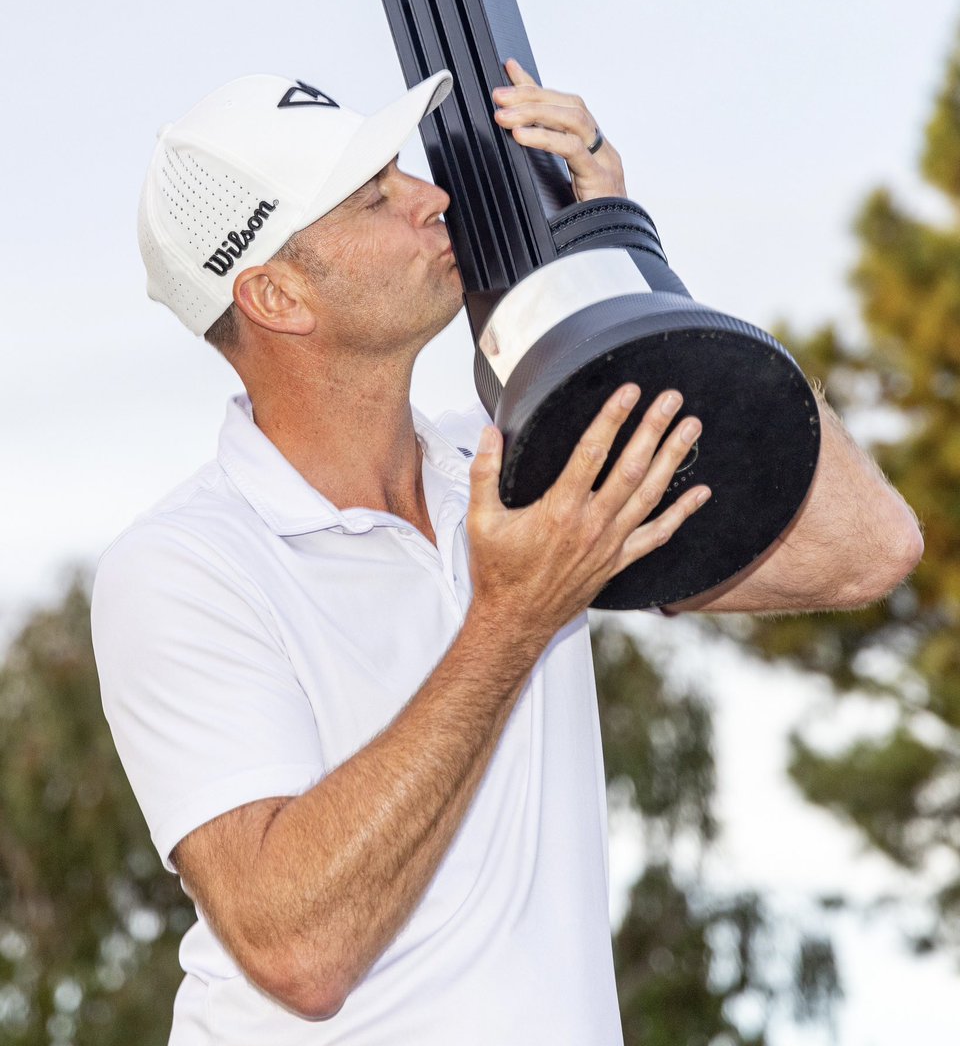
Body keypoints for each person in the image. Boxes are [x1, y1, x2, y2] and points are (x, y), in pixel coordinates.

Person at [91, 59, 923, 1046]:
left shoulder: (513, 467)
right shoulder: (185, 568)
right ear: (276, 296)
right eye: (374, 198)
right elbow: (299, 951)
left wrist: (620, 269)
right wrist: (513, 616)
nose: (432, 197)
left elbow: (864, 549)